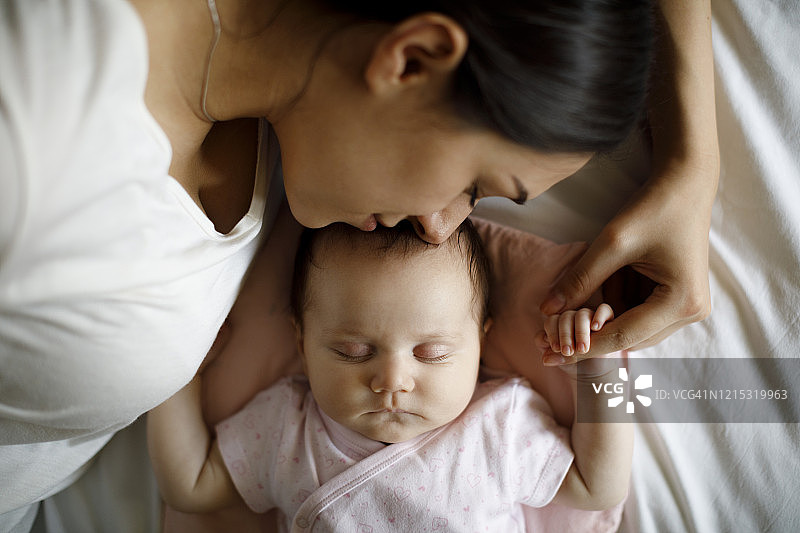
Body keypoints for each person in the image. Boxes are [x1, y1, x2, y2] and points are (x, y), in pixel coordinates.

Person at [0, 0, 716, 529]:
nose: (440, 227)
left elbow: (598, 482)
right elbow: (196, 483)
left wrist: (693, 171)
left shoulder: (306, 106)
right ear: (412, 59)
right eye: (474, 186)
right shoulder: (36, 156)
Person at [147, 220, 632, 531]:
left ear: (480, 342)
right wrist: (174, 372)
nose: (393, 379)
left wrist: (599, 366)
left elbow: (599, 488)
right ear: (301, 343)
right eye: (353, 351)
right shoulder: (287, 428)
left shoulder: (499, 427)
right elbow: (189, 486)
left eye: (433, 352)